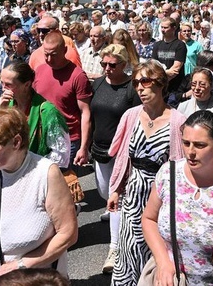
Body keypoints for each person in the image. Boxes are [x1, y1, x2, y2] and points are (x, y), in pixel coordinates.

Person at [0, 108, 78, 286]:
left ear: (16, 142)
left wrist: (21, 265)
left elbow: (68, 233)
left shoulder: (46, 173)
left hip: (35, 280)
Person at [142, 111, 213, 286]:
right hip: (173, 280)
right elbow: (148, 219)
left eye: (200, 145)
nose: (190, 152)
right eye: (186, 143)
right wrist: (163, 262)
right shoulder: (168, 173)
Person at [106, 61, 188, 286]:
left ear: (161, 84)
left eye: (145, 81)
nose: (139, 88)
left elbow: (181, 167)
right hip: (133, 192)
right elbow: (123, 158)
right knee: (128, 249)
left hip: (160, 196)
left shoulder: (178, 121)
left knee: (155, 252)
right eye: (136, 83)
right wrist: (116, 190)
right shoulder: (131, 115)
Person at [88, 44, 141, 273]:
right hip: (99, 149)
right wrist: (85, 145)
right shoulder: (98, 83)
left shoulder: (132, 88)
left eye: (112, 64)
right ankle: (121, 216)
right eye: (104, 64)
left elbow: (138, 119)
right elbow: (91, 115)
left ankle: (115, 248)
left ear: (124, 64)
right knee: (104, 191)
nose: (107, 68)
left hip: (122, 152)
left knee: (116, 197)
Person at [33, 31, 92, 167]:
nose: (48, 59)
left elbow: (85, 112)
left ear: (64, 50)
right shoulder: (40, 70)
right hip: (42, 137)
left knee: (64, 184)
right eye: (46, 54)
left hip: (68, 140)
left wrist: (83, 147)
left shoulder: (78, 76)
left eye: (53, 55)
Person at [0, 61, 70, 168]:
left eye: (8, 85)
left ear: (26, 85)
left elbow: (61, 153)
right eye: (2, 83)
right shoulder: (7, 105)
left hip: (37, 172)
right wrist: (1, 112)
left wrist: (34, 169)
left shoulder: (48, 111)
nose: (3, 89)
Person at [151, 17, 187, 102]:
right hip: (160, 88)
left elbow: (175, 69)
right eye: (162, 27)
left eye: (166, 27)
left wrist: (161, 77)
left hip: (175, 89)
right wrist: (165, 74)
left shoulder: (180, 45)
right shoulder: (157, 45)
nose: (163, 30)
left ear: (174, 28)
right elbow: (153, 66)